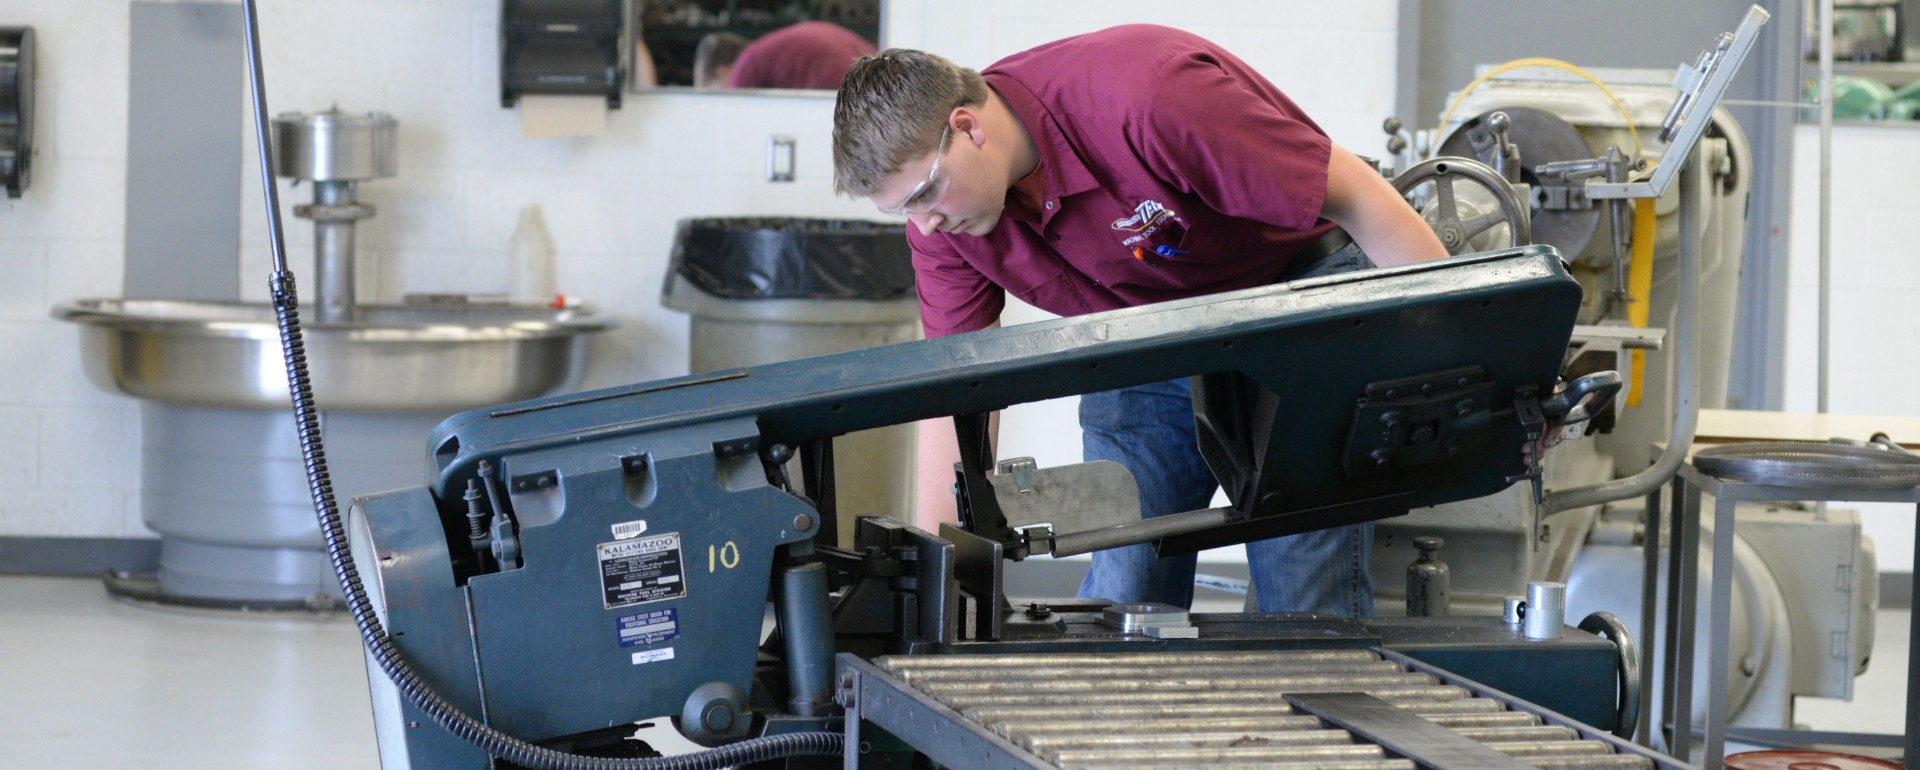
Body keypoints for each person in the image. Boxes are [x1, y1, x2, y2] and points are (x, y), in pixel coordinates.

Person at [830, 25, 1449, 617]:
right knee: (1123, 584)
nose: (924, 225)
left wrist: (1459, 357)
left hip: (1292, 306)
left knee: (1301, 585)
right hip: (1146, 331)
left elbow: (1360, 195)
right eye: (903, 211)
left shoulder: (1149, 98)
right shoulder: (947, 228)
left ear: (966, 128)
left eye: (923, 196)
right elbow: (956, 393)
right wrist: (936, 579)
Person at [722, 21, 875, 90]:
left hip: (839, 82)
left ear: (722, 71)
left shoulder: (747, 62)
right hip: (874, 75)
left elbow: (734, 111)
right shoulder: (764, 52)